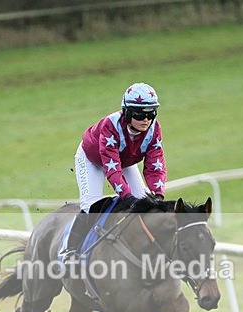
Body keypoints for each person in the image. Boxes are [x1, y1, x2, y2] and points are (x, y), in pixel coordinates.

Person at [63, 82, 167, 260]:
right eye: (140, 114)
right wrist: (127, 197)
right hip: (92, 160)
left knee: (146, 203)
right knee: (91, 206)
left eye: (151, 113)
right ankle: (70, 250)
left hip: (125, 160)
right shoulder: (110, 125)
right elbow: (112, 169)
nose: (146, 119)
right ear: (127, 112)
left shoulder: (154, 129)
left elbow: (155, 163)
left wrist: (158, 195)